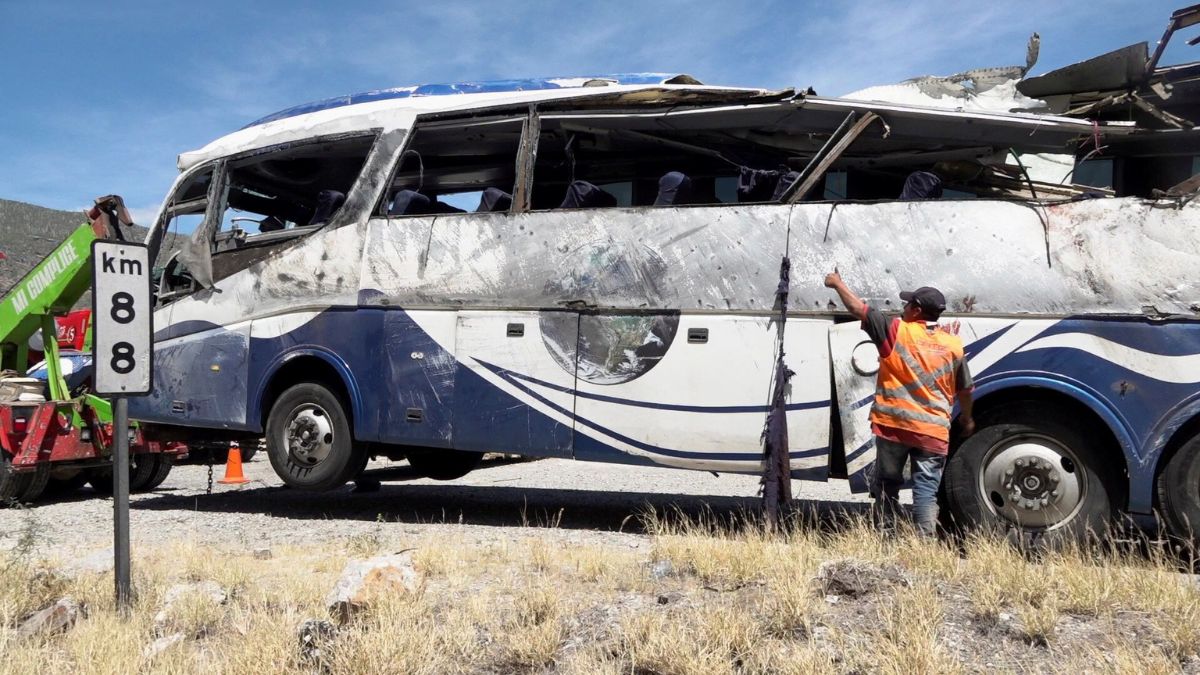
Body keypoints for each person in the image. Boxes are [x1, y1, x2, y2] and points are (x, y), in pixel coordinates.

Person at [824, 271, 975, 537]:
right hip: (933, 433)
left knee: (887, 485)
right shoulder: (953, 345)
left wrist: (836, 283)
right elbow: (965, 390)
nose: (902, 308)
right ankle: (924, 546)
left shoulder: (896, 331)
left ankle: (887, 539)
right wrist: (968, 419)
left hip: (895, 427)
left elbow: (857, 308)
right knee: (926, 492)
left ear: (917, 310)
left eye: (906, 304)